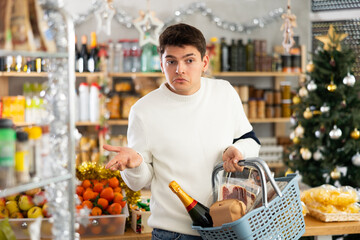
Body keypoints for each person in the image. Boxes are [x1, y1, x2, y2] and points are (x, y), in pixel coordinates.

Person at [103, 23, 260, 240]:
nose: (180, 69)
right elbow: (138, 182)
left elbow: (251, 141)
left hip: (227, 227)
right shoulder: (143, 111)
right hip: (174, 234)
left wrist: (238, 149)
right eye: (171, 61)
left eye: (189, 60)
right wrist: (135, 165)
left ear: (204, 62)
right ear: (161, 64)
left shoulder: (224, 92)